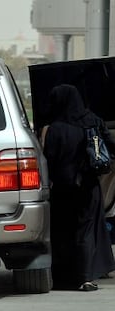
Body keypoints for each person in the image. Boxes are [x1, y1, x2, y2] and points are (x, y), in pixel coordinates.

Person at [42, 84, 115, 291]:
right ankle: (85, 278)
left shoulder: (55, 128)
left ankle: (64, 276)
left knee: (63, 230)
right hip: (89, 186)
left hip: (63, 189)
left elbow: (50, 160)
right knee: (86, 230)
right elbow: (109, 146)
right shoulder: (93, 121)